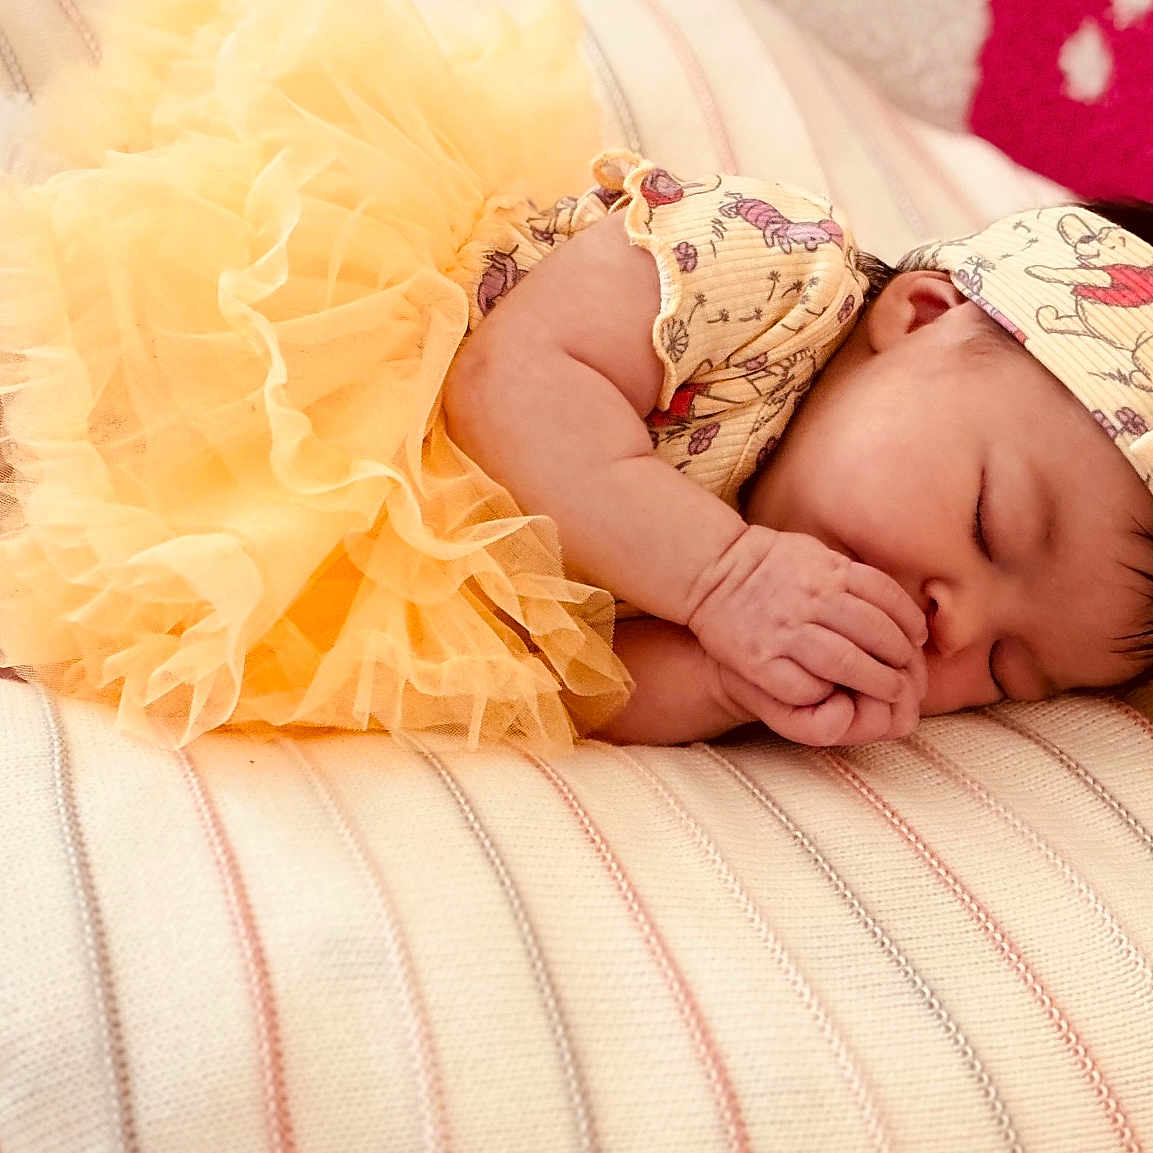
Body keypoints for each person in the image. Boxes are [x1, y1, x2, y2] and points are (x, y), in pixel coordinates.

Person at [1, 0, 1152, 752]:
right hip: (334, 331)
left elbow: (574, 684)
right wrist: (722, 579)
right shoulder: (773, 271)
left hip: (351, 530)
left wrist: (723, 682)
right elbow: (506, 383)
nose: (957, 623)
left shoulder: (773, 607)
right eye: (990, 523)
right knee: (66, 300)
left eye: (1009, 668)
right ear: (922, 314)